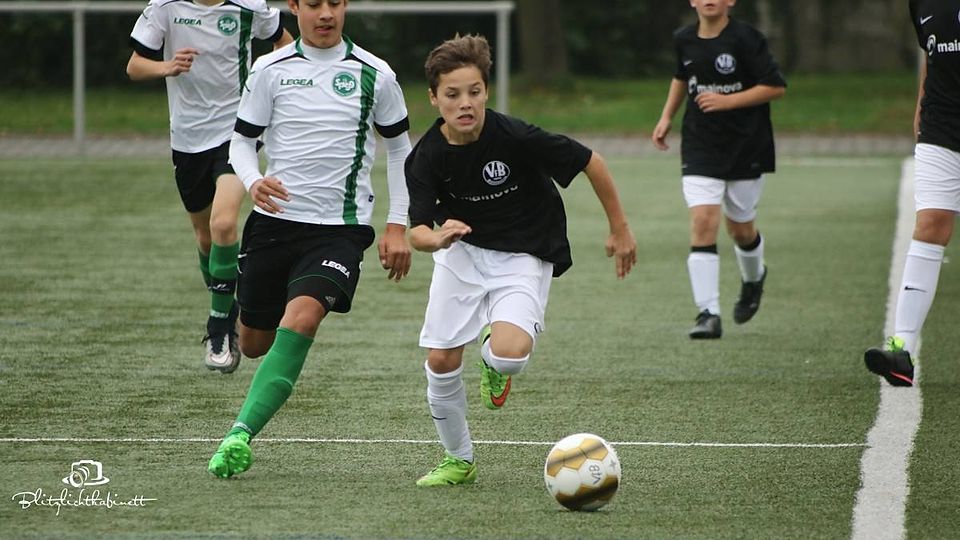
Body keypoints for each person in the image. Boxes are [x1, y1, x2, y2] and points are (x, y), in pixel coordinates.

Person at [405, 35, 637, 486]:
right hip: (461, 254)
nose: (465, 103)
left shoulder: (514, 136)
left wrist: (620, 228)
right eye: (452, 94)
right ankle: (459, 460)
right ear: (434, 98)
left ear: (486, 91)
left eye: (474, 91)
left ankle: (492, 358)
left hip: (522, 253)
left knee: (510, 357)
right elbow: (417, 231)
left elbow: (591, 161)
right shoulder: (426, 157)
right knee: (441, 361)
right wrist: (437, 238)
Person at [207, 0, 413, 478]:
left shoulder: (376, 74)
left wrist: (397, 224)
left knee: (301, 319)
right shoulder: (269, 69)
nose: (326, 14)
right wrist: (253, 180)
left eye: (335, 3)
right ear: (294, 7)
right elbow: (241, 142)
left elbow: (400, 150)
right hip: (274, 224)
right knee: (254, 344)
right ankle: (233, 315)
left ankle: (239, 434)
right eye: (314, 3)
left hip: (340, 231)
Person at [127, 0, 293, 373]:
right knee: (205, 237)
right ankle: (226, 308)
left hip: (237, 132)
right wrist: (167, 66)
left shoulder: (248, 6)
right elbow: (135, 66)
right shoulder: (166, 7)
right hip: (187, 139)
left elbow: (284, 41)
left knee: (223, 223)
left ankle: (218, 327)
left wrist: (264, 75)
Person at [652, 0, 786, 339]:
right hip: (700, 145)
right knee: (703, 221)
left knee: (741, 230)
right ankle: (708, 313)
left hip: (746, 145)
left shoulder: (747, 38)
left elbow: (775, 86)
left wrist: (727, 101)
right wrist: (666, 117)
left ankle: (754, 279)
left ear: (731, 2)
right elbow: (681, 76)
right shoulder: (683, 38)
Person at [863, 0, 960, 387]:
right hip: (940, 126)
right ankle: (901, 350)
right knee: (930, 224)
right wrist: (921, 103)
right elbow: (930, 54)